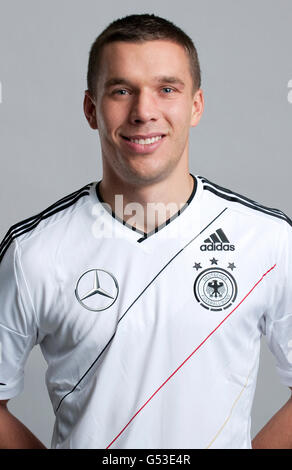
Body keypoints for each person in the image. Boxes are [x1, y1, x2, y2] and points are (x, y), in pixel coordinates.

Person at [0, 13, 292, 450]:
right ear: (91, 109)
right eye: (121, 91)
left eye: (167, 89)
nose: (143, 112)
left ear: (196, 106)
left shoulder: (269, 241)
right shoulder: (33, 252)